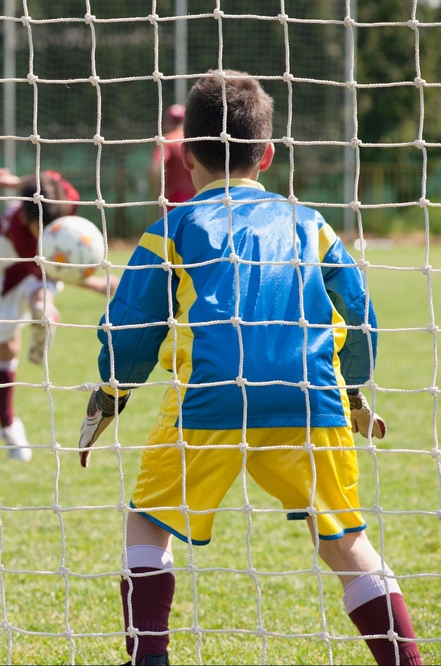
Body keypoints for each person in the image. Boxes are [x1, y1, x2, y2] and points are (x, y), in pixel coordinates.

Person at [77, 71, 421, 666]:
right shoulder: (311, 224)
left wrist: (111, 393)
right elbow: (358, 311)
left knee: (149, 524)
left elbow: (132, 325)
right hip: (309, 397)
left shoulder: (172, 229)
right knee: (343, 540)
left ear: (185, 157)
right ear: (266, 155)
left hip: (209, 400)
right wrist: (355, 389)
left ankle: (149, 659)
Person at [0, 172, 116, 462]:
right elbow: (55, 270)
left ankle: (9, 425)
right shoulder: (19, 234)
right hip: (4, 268)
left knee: (11, 341)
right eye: (37, 228)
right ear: (25, 219)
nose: (41, 233)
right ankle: (42, 310)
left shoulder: (64, 199)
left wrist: (15, 182)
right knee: (12, 336)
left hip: (38, 268)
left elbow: (43, 180)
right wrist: (101, 283)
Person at [146, 104, 196, 216]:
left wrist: (158, 193)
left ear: (167, 122)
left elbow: (154, 168)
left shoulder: (167, 140)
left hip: (174, 199)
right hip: (198, 197)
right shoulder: (195, 140)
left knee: (169, 232)